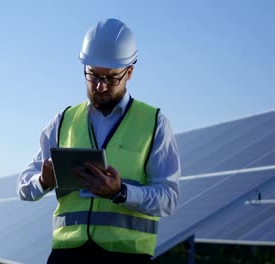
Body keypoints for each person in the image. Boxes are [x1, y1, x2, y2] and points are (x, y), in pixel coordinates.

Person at [17, 18, 181, 264]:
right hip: (67, 255)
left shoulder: (154, 123)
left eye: (111, 78)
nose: (101, 86)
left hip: (126, 257)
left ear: (129, 72)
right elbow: (23, 187)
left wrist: (121, 192)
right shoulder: (64, 121)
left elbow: (168, 199)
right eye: (93, 76)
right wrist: (42, 181)